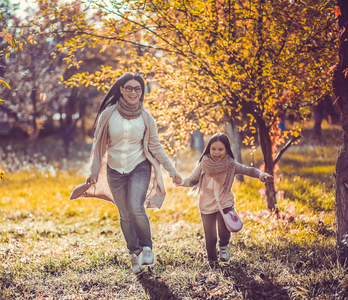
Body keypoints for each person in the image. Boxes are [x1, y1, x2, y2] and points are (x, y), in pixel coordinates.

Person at [70, 73, 182, 274]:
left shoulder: (146, 118)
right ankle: (133, 253)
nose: (133, 92)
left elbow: (155, 146)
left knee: (135, 206)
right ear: (121, 89)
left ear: (142, 92)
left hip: (139, 166)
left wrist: (172, 171)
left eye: (137, 88)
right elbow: (98, 145)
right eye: (129, 88)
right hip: (115, 171)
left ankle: (147, 247)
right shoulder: (108, 114)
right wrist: (93, 171)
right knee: (124, 214)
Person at [178, 133, 273, 264]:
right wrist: (180, 181)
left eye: (220, 149)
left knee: (224, 232)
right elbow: (191, 180)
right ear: (209, 149)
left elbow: (249, 170)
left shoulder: (231, 165)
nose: (216, 152)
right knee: (210, 238)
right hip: (206, 205)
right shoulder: (203, 164)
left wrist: (260, 174)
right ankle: (212, 260)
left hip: (225, 203)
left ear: (227, 150)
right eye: (213, 149)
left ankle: (223, 247)